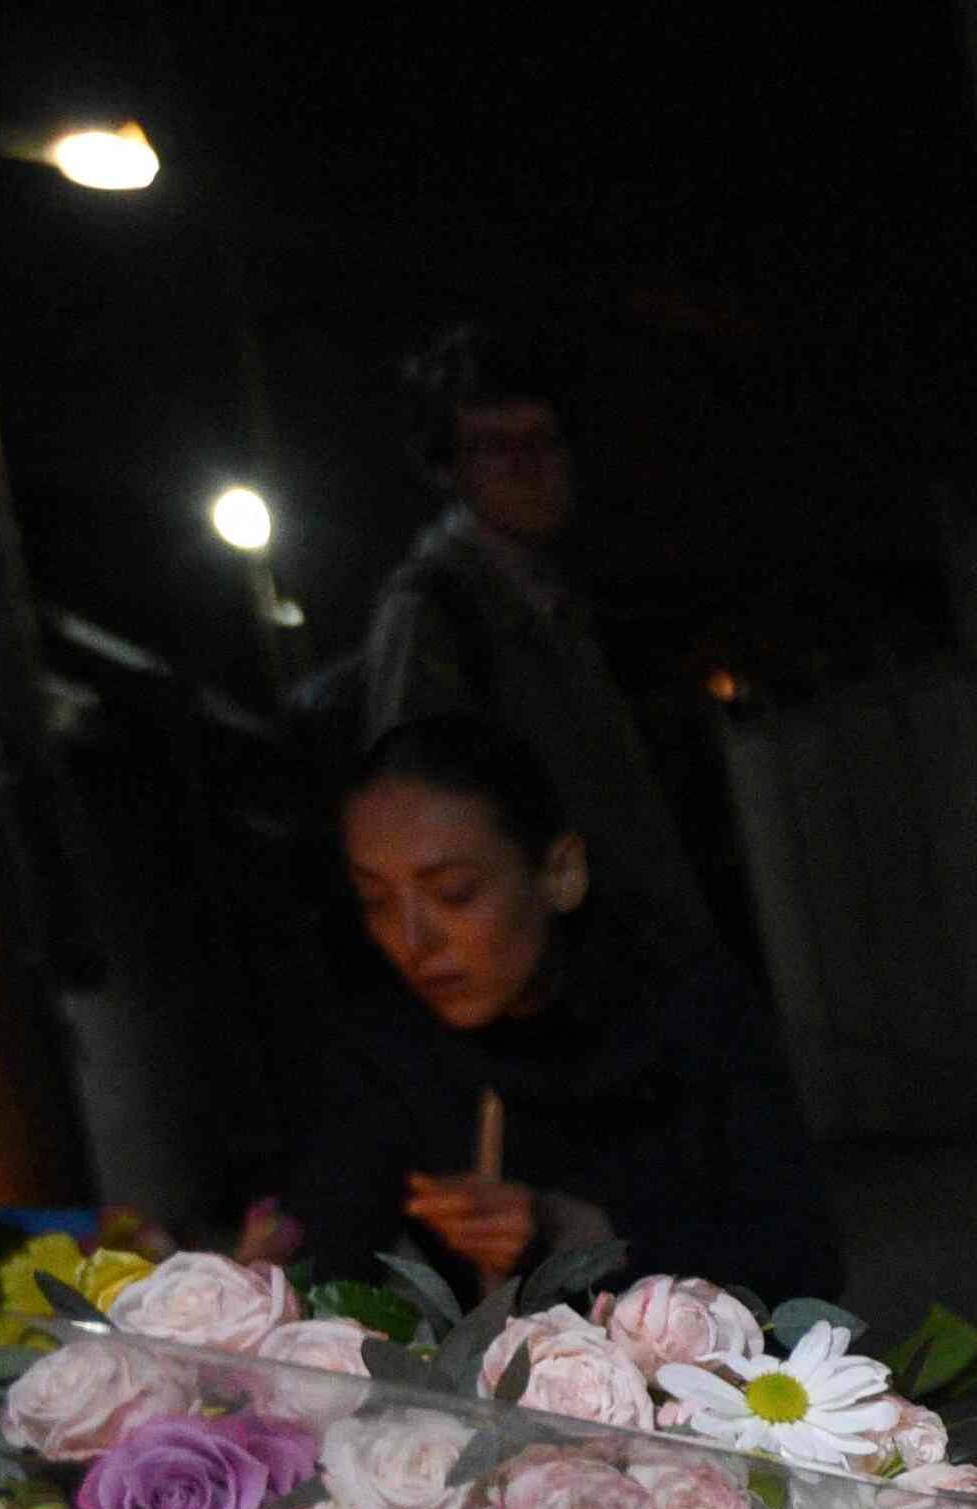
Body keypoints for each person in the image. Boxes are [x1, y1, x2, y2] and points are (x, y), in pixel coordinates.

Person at [259, 714, 840, 1312]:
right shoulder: (389, 1042)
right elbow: (319, 1258)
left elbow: (804, 1266)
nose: (411, 938)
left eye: (454, 892)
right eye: (376, 901)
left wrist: (577, 1234)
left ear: (561, 873)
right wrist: (246, 1288)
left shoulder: (682, 1001)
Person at [358, 325, 710, 953]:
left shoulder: (553, 605)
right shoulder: (433, 615)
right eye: (495, 446)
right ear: (451, 469)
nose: (528, 467)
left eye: (542, 441)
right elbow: (427, 839)